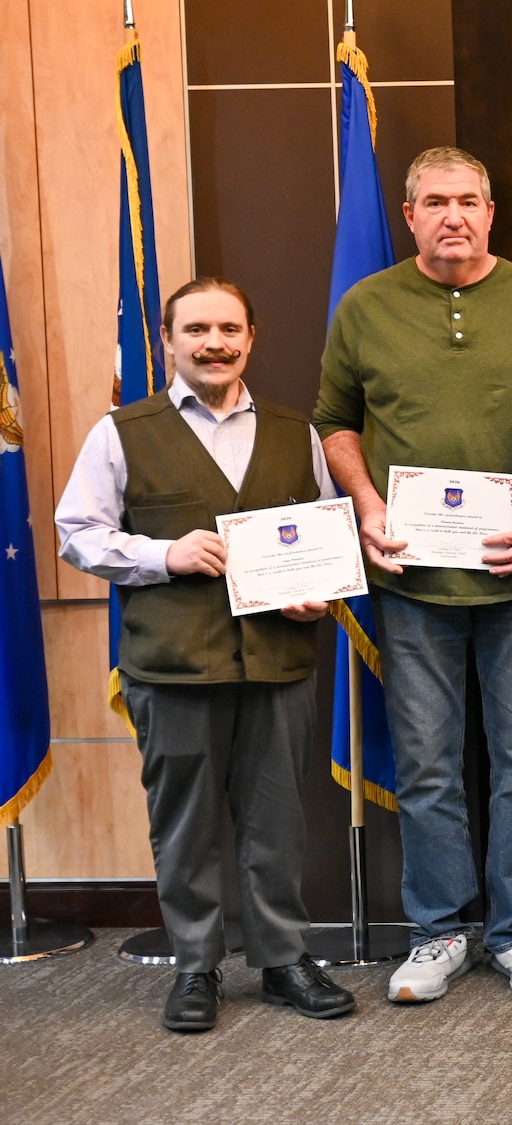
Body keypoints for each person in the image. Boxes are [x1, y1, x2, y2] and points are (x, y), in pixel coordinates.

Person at [55, 278, 355, 1031]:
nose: (213, 343)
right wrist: (165, 554)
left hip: (278, 663)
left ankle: (283, 959)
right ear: (168, 341)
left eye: (228, 329)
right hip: (174, 666)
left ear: (251, 338)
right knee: (184, 823)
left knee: (278, 822)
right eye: (195, 330)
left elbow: (325, 533)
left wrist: (315, 593)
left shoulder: (296, 432)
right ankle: (195, 966)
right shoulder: (121, 432)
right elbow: (77, 532)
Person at [315, 147, 512, 1003]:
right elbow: (335, 420)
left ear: (491, 212)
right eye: (435, 202)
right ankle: (438, 931)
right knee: (429, 764)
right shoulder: (366, 305)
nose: (453, 215)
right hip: (412, 580)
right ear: (410, 214)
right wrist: (365, 505)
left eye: (468, 200)